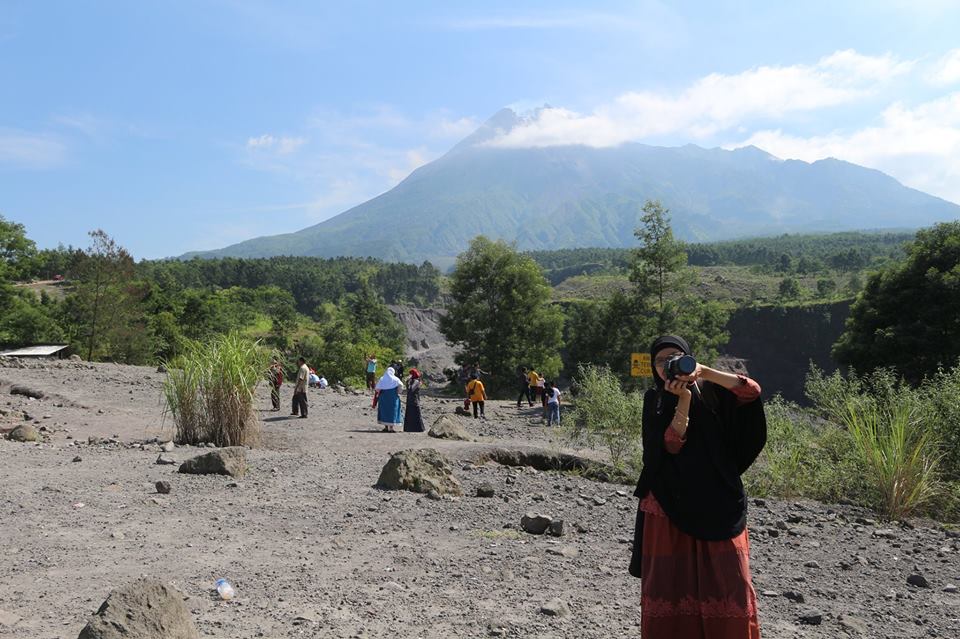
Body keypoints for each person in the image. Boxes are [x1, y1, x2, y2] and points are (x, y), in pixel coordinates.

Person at [630, 335, 766, 638]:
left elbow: (752, 392)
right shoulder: (654, 400)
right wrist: (683, 401)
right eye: (661, 361)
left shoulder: (714, 390)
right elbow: (669, 447)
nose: (669, 366)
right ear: (653, 368)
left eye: (676, 358)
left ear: (689, 357)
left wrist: (704, 373)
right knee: (672, 586)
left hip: (718, 502)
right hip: (668, 503)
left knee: (730, 586)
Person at [375, 366, 404, 433]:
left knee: (384, 410)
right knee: (392, 411)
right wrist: (398, 392)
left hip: (383, 397)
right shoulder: (396, 379)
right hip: (393, 397)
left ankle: (385, 427)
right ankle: (391, 428)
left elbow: (377, 388)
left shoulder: (382, 379)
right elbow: (401, 386)